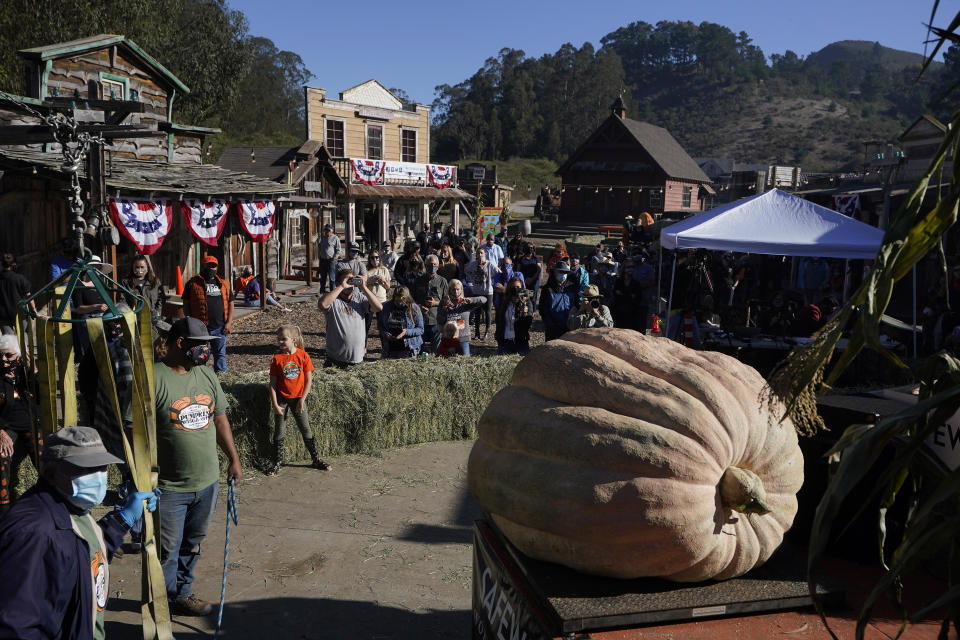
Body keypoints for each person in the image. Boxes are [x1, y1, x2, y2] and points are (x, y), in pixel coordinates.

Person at [0, 426, 159, 639]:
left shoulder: (71, 507)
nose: (97, 477)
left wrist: (122, 519)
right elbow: (17, 626)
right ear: (51, 472)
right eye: (84, 469)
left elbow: (84, 553)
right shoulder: (32, 531)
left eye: (102, 467)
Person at [154, 316, 243, 616]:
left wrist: (234, 458)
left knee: (192, 545)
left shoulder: (207, 375)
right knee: (166, 551)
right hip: (168, 488)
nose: (205, 351)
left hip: (207, 483)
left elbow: (219, 418)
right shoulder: (154, 379)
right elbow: (133, 432)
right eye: (200, 345)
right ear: (181, 344)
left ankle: (182, 594)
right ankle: (161, 605)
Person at [267, 325, 330, 476]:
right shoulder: (277, 358)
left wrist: (302, 400)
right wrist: (275, 404)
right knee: (279, 431)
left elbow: (309, 380)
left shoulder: (303, 356)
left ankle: (316, 459)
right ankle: (277, 462)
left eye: (284, 339)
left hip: (298, 398)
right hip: (282, 399)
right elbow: (272, 384)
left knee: (305, 428)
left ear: (293, 340)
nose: (280, 342)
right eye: (279, 339)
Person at [0, 335, 40, 518]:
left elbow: (41, 397)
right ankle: (4, 510)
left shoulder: (26, 374)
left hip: (29, 423)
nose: (3, 360)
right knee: (1, 455)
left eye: (8, 356)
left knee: (45, 454)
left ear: (18, 356)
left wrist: (35, 372)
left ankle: (47, 500)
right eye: (1, 356)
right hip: (6, 425)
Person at [318, 270, 383, 367]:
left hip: (357, 359)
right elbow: (323, 304)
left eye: (351, 281)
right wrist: (342, 286)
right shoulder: (333, 299)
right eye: (347, 281)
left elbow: (378, 307)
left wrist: (364, 287)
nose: (350, 284)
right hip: (335, 360)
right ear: (337, 283)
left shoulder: (359, 298)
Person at [182, 255, 234, 374]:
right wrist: (189, 321)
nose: (211, 268)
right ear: (203, 266)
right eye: (208, 265)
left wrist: (229, 322)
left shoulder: (224, 284)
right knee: (199, 355)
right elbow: (186, 303)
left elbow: (231, 303)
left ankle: (221, 378)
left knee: (220, 355)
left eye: (213, 266)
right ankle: (201, 376)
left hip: (220, 328)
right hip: (200, 328)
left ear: (217, 267)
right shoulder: (192, 283)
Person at [438, 279, 486, 356]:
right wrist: (444, 308)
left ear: (461, 290)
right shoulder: (444, 302)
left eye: (458, 289)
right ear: (449, 290)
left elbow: (484, 299)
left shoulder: (465, 302)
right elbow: (440, 320)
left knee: (464, 361)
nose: (456, 292)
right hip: (448, 339)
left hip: (463, 338)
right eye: (453, 289)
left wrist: (471, 300)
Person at [413, 254, 448, 352]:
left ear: (438, 265)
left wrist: (436, 303)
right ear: (425, 265)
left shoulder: (442, 281)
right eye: (429, 264)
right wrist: (419, 306)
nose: (432, 267)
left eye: (434, 264)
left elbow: (447, 302)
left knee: (436, 350)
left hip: (436, 320)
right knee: (419, 349)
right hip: (420, 320)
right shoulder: (418, 280)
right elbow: (411, 299)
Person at [378, 285, 424, 359]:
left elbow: (421, 329)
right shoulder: (386, 307)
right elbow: (380, 326)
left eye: (402, 301)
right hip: (389, 349)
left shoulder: (414, 308)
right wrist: (385, 334)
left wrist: (406, 332)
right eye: (397, 301)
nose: (399, 303)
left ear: (407, 299)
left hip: (409, 349)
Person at [120, 255, 167, 328]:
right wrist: (130, 314)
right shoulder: (125, 282)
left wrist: (157, 313)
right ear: (132, 268)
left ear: (147, 268)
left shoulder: (155, 282)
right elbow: (122, 300)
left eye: (142, 267)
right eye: (137, 267)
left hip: (152, 321)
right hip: (133, 321)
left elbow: (161, 299)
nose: (139, 270)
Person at [538, 262, 577, 341]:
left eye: (565, 272)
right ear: (554, 272)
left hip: (569, 327)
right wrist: (550, 324)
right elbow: (542, 309)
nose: (563, 274)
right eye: (560, 272)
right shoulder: (547, 289)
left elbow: (576, 305)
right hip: (553, 328)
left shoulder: (572, 287)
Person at [464, 250, 498, 340]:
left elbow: (498, 272)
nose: (480, 255)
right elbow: (466, 270)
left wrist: (492, 280)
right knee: (477, 312)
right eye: (478, 253)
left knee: (487, 312)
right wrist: (471, 279)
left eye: (482, 253)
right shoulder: (473, 264)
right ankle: (477, 333)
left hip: (488, 291)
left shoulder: (490, 264)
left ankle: (486, 332)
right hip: (477, 291)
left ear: (485, 254)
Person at [494, 277, 533, 355]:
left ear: (522, 288)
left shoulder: (526, 302)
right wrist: (498, 337)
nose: (515, 290)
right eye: (513, 287)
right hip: (505, 340)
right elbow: (498, 321)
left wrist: (524, 313)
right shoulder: (504, 302)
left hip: (521, 340)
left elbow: (528, 324)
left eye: (518, 287)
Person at [0, 252, 34, 335]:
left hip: (3, 315)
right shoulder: (19, 278)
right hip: (19, 314)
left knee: (9, 342)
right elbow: (28, 295)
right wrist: (34, 310)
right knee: (23, 340)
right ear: (13, 264)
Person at [317, 224, 341, 293]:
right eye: (325, 230)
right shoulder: (323, 238)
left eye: (328, 230)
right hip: (323, 260)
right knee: (323, 277)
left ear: (331, 231)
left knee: (332, 278)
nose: (326, 232)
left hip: (331, 261)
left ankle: (332, 292)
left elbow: (338, 250)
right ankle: (322, 291)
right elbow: (320, 247)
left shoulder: (335, 238)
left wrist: (334, 258)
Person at [518, 243, 542, 308]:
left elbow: (539, 270)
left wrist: (532, 279)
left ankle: (532, 313)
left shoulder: (536, 259)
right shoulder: (521, 259)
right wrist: (523, 280)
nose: (530, 249)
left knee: (533, 298)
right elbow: (518, 270)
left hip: (534, 281)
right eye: (528, 248)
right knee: (523, 297)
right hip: (524, 281)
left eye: (531, 248)